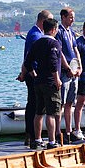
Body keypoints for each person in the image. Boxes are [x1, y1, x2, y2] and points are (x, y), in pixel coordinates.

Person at [16, 10, 53, 149]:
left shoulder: (35, 33)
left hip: (32, 72)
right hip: (34, 75)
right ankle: (32, 136)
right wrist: (29, 71)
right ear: (43, 21)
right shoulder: (36, 36)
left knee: (33, 104)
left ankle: (31, 135)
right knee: (34, 105)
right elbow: (30, 57)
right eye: (49, 21)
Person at [25, 18, 63, 149]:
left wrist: (33, 73)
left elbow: (27, 61)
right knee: (51, 113)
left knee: (39, 112)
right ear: (53, 30)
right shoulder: (54, 44)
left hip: (38, 81)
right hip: (50, 82)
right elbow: (53, 63)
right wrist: (57, 78)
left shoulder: (37, 43)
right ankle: (52, 141)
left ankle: (37, 139)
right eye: (56, 29)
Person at [56, 7, 82, 143]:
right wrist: (67, 68)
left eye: (73, 17)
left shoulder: (71, 32)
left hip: (74, 71)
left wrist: (79, 66)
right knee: (61, 103)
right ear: (63, 17)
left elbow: (75, 49)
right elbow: (60, 53)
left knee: (70, 103)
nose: (73, 20)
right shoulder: (59, 32)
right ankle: (57, 131)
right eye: (71, 17)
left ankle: (68, 130)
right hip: (64, 73)